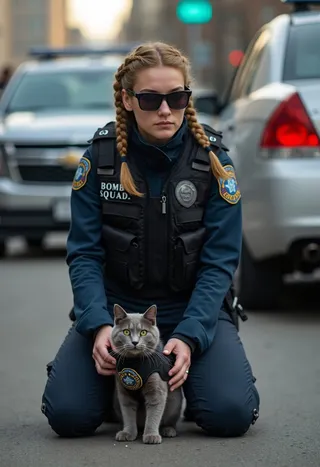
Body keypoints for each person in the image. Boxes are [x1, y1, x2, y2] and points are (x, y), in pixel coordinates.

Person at [41, 41, 260, 438]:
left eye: (177, 98)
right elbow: (85, 255)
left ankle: (193, 383)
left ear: (186, 98)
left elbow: (220, 262)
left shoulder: (213, 162)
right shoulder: (100, 161)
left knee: (229, 414)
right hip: (118, 317)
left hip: (192, 311)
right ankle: (122, 390)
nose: (165, 110)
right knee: (69, 416)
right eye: (149, 98)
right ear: (127, 99)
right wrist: (97, 325)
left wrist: (191, 334)